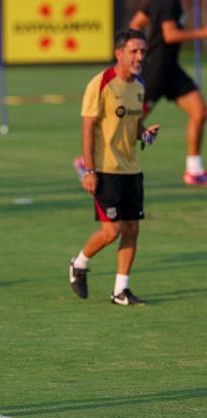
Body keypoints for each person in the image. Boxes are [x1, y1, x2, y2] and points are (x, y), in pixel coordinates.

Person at [69, 29, 160, 306]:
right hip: (105, 169)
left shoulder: (139, 85)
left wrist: (144, 134)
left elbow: (132, 126)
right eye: (134, 51)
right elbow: (87, 128)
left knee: (132, 228)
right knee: (112, 230)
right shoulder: (101, 83)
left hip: (131, 169)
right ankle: (79, 263)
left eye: (143, 51)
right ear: (119, 53)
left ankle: (121, 290)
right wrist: (89, 170)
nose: (139, 56)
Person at [76, 0, 207, 185]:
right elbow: (170, 35)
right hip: (155, 71)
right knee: (129, 122)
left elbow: (136, 23)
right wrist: (201, 32)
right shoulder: (168, 4)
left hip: (172, 70)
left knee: (199, 111)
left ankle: (194, 169)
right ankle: (88, 161)